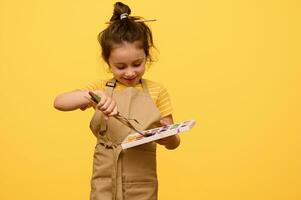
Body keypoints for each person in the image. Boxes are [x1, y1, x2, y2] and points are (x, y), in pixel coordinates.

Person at [53, 2, 180, 200]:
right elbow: (59, 102)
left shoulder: (157, 90)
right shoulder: (100, 89)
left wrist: (165, 135)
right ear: (108, 63)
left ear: (146, 56)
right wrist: (90, 96)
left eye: (137, 64)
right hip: (105, 178)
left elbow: (174, 143)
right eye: (120, 66)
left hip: (142, 182)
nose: (130, 72)